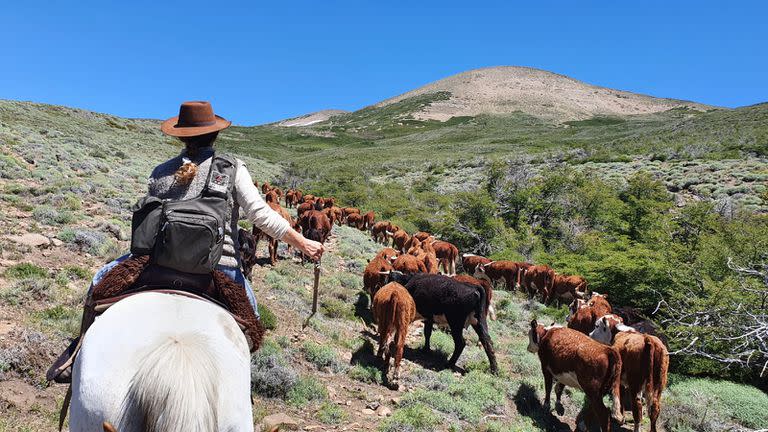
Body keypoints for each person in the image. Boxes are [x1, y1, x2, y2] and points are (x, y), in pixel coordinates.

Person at [48, 101, 324, 383]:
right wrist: (301, 242)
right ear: (215, 135)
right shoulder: (232, 168)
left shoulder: (161, 171)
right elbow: (261, 215)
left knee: (99, 281)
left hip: (157, 261)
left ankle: (77, 353)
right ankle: (237, 383)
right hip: (218, 267)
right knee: (251, 322)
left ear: (180, 136)